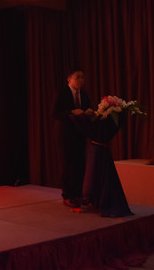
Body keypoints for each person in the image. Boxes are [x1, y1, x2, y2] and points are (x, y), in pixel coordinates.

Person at [52, 68, 94, 208]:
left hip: (80, 134)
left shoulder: (84, 94)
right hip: (65, 134)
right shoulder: (62, 93)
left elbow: (88, 107)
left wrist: (89, 111)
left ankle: (78, 194)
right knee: (66, 165)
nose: (81, 80)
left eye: (83, 77)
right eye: (78, 77)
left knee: (79, 165)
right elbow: (55, 113)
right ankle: (67, 195)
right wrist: (71, 112)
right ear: (69, 79)